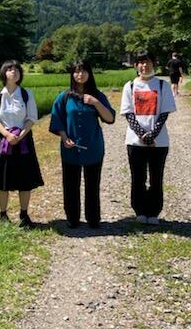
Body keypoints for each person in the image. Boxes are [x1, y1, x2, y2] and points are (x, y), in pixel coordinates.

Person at [49, 60, 115, 228]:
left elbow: (110, 118)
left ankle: (93, 219)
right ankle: (72, 218)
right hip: (70, 148)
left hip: (93, 147)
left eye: (84, 71)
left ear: (89, 74)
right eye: (77, 71)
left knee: (93, 184)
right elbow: (57, 120)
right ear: (72, 74)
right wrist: (64, 137)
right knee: (70, 184)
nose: (80, 74)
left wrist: (95, 102)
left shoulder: (97, 96)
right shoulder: (64, 97)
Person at [120, 50, 176, 225]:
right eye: (141, 62)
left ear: (154, 63)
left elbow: (164, 113)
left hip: (159, 142)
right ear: (136, 65)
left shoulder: (162, 85)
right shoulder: (129, 86)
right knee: (137, 177)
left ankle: (154, 212)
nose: (144, 66)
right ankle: (140, 210)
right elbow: (128, 114)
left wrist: (152, 135)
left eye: (148, 62)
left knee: (156, 177)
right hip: (135, 142)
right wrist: (142, 134)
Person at [0, 60, 44, 227]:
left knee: (25, 179)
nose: (14, 72)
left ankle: (24, 214)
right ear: (4, 73)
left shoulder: (26, 94)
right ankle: (3, 215)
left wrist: (20, 135)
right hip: (4, 140)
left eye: (17, 70)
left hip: (23, 139)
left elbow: (32, 117)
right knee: (2, 180)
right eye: (10, 69)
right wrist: (7, 134)